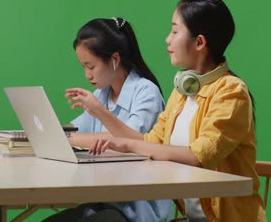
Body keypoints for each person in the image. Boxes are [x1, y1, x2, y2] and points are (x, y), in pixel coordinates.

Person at [67, 0, 267, 222]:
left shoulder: (231, 92)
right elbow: (152, 141)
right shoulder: (182, 91)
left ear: (199, 42)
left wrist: (127, 143)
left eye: (174, 31)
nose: (167, 39)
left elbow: (198, 156)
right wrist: (121, 142)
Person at [43, 18, 173, 222]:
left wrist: (72, 134)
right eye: (83, 67)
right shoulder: (103, 93)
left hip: (138, 209)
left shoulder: (147, 92)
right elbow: (76, 129)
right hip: (106, 201)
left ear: (114, 59)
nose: (87, 74)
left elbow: (128, 142)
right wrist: (46, 131)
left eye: (91, 66)